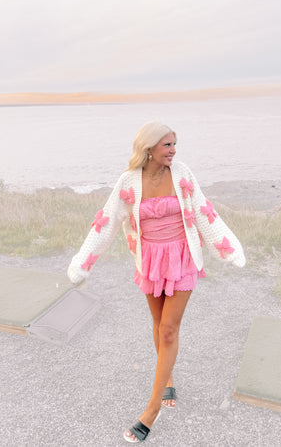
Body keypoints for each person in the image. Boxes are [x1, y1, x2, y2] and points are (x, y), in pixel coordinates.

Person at [67, 121, 246, 443]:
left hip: (182, 258)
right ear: (148, 148)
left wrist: (229, 249)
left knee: (168, 329)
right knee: (158, 321)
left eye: (175, 145)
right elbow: (106, 223)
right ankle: (168, 379)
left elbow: (205, 212)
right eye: (167, 145)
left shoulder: (182, 174)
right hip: (150, 261)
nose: (173, 151)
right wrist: (83, 263)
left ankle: (151, 410)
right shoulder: (128, 182)